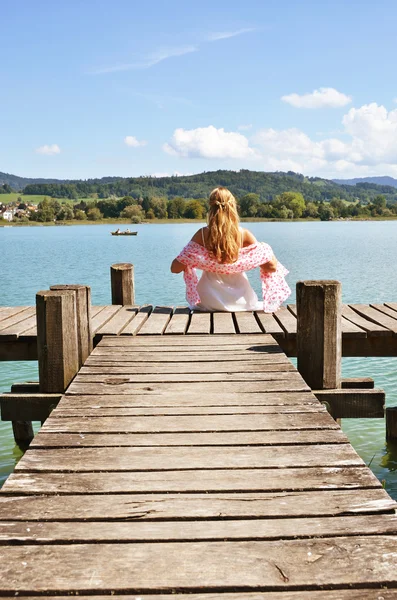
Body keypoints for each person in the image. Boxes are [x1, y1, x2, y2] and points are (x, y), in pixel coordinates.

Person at [171, 187, 291, 312]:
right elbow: (271, 267)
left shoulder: (202, 234)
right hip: (241, 300)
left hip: (209, 300)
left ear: (211, 208)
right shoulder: (244, 235)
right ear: (233, 207)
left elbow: (175, 268)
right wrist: (266, 250)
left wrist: (192, 258)